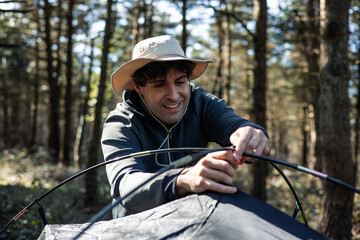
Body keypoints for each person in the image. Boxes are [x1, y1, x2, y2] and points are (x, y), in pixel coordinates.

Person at [101, 35, 270, 218]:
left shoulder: (201, 104)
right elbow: (125, 185)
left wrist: (251, 134)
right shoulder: (120, 124)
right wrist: (181, 180)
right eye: (159, 85)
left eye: (181, 82)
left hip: (190, 223)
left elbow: (234, 124)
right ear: (138, 86)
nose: (174, 96)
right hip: (132, 229)